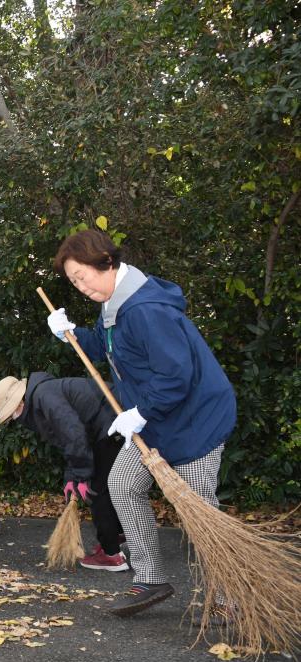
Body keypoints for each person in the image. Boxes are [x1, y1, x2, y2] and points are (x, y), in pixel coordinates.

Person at [46, 229, 236, 617]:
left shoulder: (146, 308)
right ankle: (150, 577)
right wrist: (71, 334)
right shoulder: (113, 304)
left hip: (196, 421)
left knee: (198, 512)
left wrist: (140, 412)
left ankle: (228, 597)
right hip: (154, 420)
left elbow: (176, 375)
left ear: (106, 262)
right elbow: (102, 347)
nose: (80, 287)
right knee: (122, 484)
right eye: (73, 281)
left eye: (81, 276)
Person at [0, 373, 127, 570]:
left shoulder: (45, 398)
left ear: (18, 403)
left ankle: (111, 553)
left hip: (113, 423)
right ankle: (116, 534)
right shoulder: (40, 399)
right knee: (105, 485)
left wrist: (81, 475)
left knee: (97, 490)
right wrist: (72, 477)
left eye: (10, 414)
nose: (13, 419)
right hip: (108, 424)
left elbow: (75, 435)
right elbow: (67, 440)